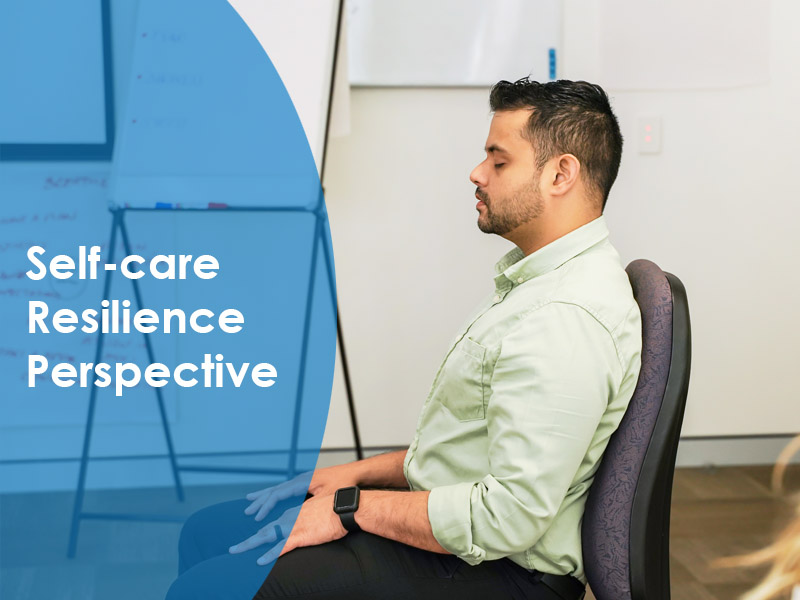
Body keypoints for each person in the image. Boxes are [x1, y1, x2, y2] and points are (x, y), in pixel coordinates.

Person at [167, 78, 643, 600]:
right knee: (207, 533)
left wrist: (352, 506)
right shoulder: (538, 286)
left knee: (212, 587)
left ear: (561, 174)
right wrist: (350, 476)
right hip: (467, 541)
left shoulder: (565, 317)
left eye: (498, 161)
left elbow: (507, 518)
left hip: (502, 573)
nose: (477, 173)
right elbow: (467, 450)